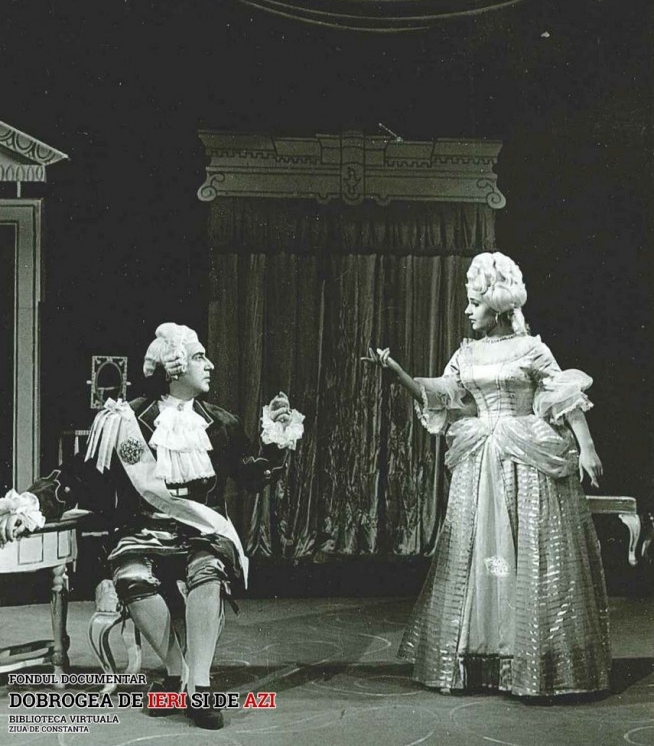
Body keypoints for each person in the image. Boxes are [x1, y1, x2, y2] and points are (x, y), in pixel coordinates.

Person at [0, 322, 304, 728]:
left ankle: (199, 686)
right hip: (142, 532)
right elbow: (76, 477)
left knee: (208, 569)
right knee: (131, 575)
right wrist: (31, 503)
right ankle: (177, 672)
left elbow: (251, 475)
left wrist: (277, 437)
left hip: (201, 533)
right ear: (174, 366)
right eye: (199, 357)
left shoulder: (222, 423)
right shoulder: (124, 421)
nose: (210, 365)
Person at [364, 252, 610, 697]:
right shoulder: (466, 353)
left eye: (474, 303)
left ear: (496, 306)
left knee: (527, 551)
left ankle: (532, 658)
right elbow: (442, 395)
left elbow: (563, 396)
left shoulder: (531, 348)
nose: (467, 311)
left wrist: (587, 447)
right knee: (484, 556)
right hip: (481, 459)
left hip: (525, 457)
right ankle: (483, 653)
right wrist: (397, 373)